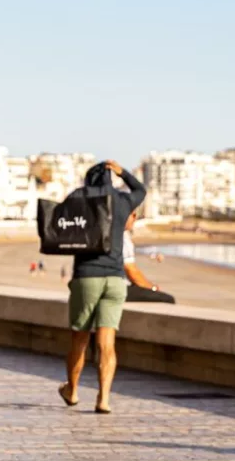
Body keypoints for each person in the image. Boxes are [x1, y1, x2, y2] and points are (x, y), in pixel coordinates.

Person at [59, 160, 147, 414]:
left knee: (80, 339)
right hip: (116, 279)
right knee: (107, 343)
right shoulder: (121, 200)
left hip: (86, 276)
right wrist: (123, 173)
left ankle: (72, 391)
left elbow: (61, 214)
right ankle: (104, 398)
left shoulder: (79, 197)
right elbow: (141, 190)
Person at [121, 211, 174, 304]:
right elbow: (131, 270)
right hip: (118, 287)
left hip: (106, 284)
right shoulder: (121, 236)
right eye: (133, 214)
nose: (135, 218)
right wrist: (152, 288)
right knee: (168, 299)